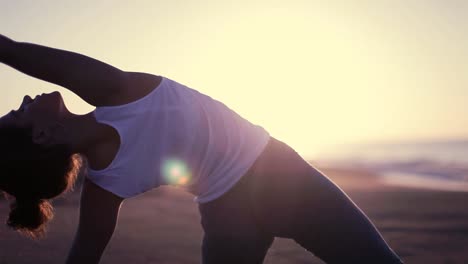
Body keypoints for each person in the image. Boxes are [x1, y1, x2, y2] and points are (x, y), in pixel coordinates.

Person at [0, 34, 404, 264]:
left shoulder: (105, 180)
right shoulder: (108, 94)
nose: (20, 103)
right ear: (41, 138)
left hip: (245, 201)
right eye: (16, 115)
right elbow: (12, 50)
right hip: (264, 192)